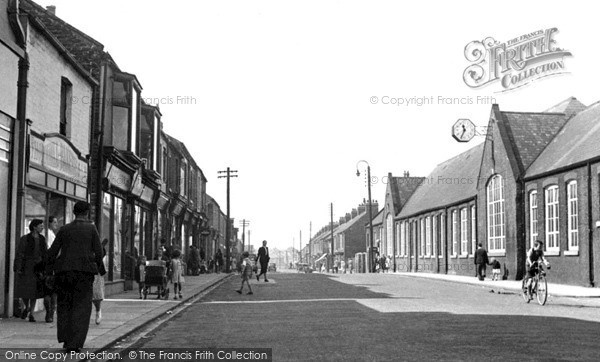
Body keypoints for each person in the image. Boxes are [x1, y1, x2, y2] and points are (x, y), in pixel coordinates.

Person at [45, 201, 105, 353]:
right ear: (87, 212)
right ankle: (75, 342)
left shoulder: (64, 229)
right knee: (81, 307)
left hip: (64, 273)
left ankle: (65, 338)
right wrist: (98, 266)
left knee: (65, 305)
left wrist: (48, 270)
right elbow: (99, 252)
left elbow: (52, 251)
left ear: (74, 212)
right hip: (84, 274)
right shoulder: (91, 229)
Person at [14, 219, 47, 322]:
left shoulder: (42, 239)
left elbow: (45, 253)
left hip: (37, 267)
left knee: (35, 291)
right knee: (25, 290)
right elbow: (20, 253)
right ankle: (26, 307)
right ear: (34, 227)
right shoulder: (25, 239)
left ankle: (31, 313)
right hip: (27, 266)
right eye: (40, 226)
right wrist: (18, 267)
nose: (42, 227)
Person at [44, 216, 60, 323]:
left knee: (48, 291)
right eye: (54, 222)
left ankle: (49, 312)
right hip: (52, 265)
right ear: (49, 223)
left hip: (48, 265)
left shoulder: (50, 233)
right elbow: (51, 250)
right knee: (52, 291)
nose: (56, 224)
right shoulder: (49, 234)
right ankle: (51, 312)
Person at [92, 238, 109, 324]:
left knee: (96, 295)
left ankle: (98, 311)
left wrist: (100, 248)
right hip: (84, 270)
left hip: (96, 271)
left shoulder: (94, 238)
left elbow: (102, 254)